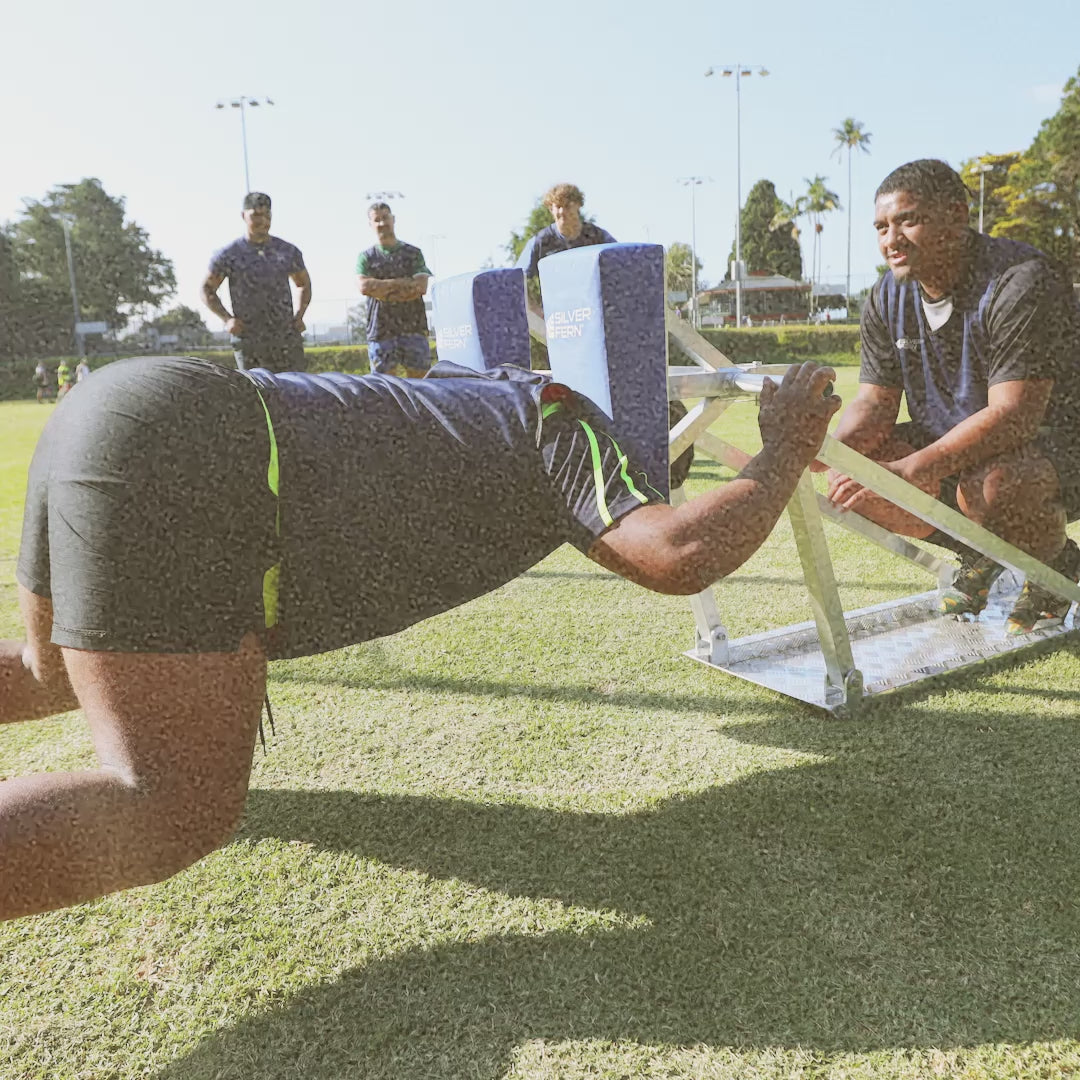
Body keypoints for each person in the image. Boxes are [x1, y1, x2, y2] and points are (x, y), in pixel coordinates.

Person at [2, 353, 839, 921]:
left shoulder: (490, 390)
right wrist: (788, 445)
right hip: (200, 450)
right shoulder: (569, 422)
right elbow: (677, 552)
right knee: (172, 807)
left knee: (51, 674)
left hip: (120, 403)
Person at [822, 158, 1080, 634]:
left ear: (957, 216)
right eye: (881, 227)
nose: (890, 240)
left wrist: (913, 469)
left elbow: (1015, 416)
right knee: (859, 476)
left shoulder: (1021, 279)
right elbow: (876, 403)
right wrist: (834, 451)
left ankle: (1056, 566)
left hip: (1052, 453)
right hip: (959, 451)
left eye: (908, 220)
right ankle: (978, 554)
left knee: (991, 484)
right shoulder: (885, 297)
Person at [202, 192, 312, 373]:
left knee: (294, 395)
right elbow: (207, 289)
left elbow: (303, 284)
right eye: (256, 216)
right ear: (243, 216)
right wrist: (227, 319)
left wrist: (300, 315)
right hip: (249, 339)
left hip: (284, 337)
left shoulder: (287, 251)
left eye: (267, 215)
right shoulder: (229, 254)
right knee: (256, 396)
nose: (263, 221)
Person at [516, 183, 617, 319]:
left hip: (594, 315)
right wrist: (534, 310)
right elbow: (516, 279)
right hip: (559, 318)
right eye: (558, 207)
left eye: (567, 205)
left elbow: (621, 262)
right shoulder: (541, 242)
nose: (562, 212)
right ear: (551, 209)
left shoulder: (598, 237)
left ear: (578, 206)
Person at [355, 203, 432, 378]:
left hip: (414, 329)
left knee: (421, 388)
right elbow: (364, 287)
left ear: (393, 219)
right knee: (384, 391)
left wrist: (382, 290)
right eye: (377, 220)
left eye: (385, 217)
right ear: (371, 224)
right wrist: (403, 284)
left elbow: (420, 287)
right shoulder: (366, 257)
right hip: (381, 331)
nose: (382, 223)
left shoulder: (413, 253)